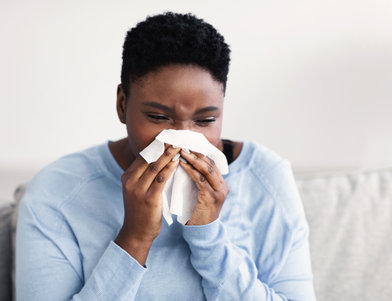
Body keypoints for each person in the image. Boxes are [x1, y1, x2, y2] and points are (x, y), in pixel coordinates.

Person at [15, 12, 316, 300]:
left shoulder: (266, 178)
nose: (181, 141)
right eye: (158, 117)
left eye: (205, 121)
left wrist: (209, 237)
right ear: (122, 104)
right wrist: (134, 238)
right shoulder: (57, 193)